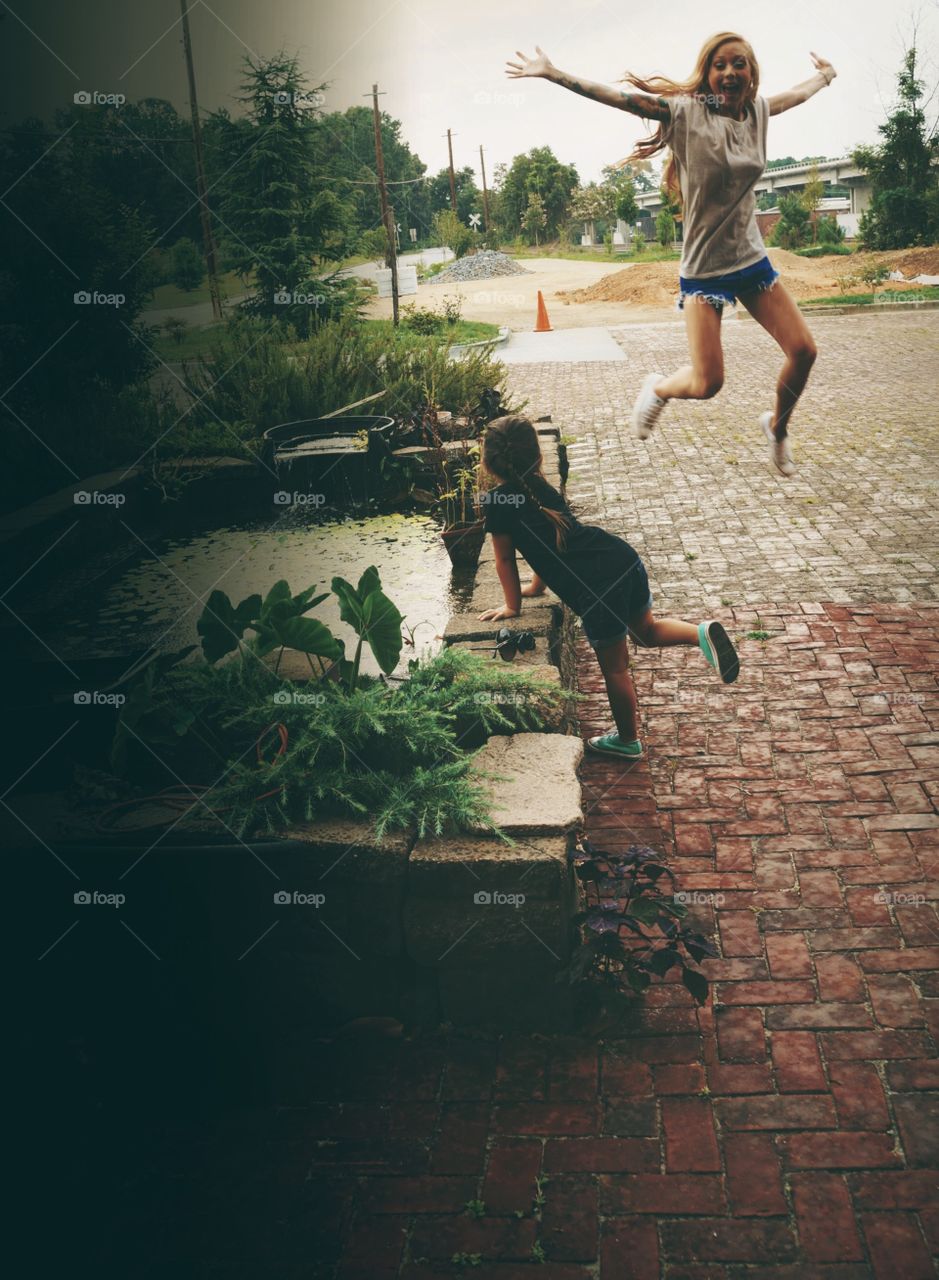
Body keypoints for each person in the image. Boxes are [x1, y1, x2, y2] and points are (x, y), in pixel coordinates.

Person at [506, 34, 837, 477]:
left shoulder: (757, 111)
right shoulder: (685, 113)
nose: (729, 73)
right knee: (707, 383)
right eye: (720, 65)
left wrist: (825, 76)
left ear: (751, 73)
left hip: (751, 261)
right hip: (704, 270)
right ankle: (658, 388)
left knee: (804, 351)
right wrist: (554, 74)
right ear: (707, 73)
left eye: (739, 64)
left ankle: (777, 430)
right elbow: (625, 99)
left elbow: (796, 95)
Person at [476, 415, 739, 759]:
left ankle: (627, 741)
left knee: (615, 669)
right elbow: (553, 538)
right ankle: (699, 633)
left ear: (489, 460)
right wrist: (538, 586)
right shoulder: (538, 486)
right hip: (620, 557)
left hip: (599, 589)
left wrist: (513, 606)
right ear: (535, 456)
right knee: (645, 632)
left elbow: (506, 560)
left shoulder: (498, 501)